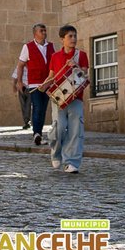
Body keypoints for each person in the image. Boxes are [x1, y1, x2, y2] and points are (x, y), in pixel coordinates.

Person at [42, 25, 89, 174]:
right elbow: (52, 75)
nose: (73, 39)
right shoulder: (55, 57)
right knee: (59, 128)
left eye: (75, 36)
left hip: (76, 97)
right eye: (70, 36)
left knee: (75, 129)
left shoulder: (81, 55)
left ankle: (71, 162)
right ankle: (56, 153)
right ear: (62, 39)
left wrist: (76, 67)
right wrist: (44, 84)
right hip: (59, 98)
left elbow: (85, 76)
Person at [13, 23, 54, 146]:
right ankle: (36, 133)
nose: (44, 33)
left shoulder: (51, 46)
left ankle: (39, 134)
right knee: (37, 107)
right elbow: (20, 65)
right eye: (41, 30)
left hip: (48, 83)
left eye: (45, 30)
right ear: (35, 33)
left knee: (43, 109)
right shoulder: (28, 47)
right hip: (34, 84)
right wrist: (19, 82)